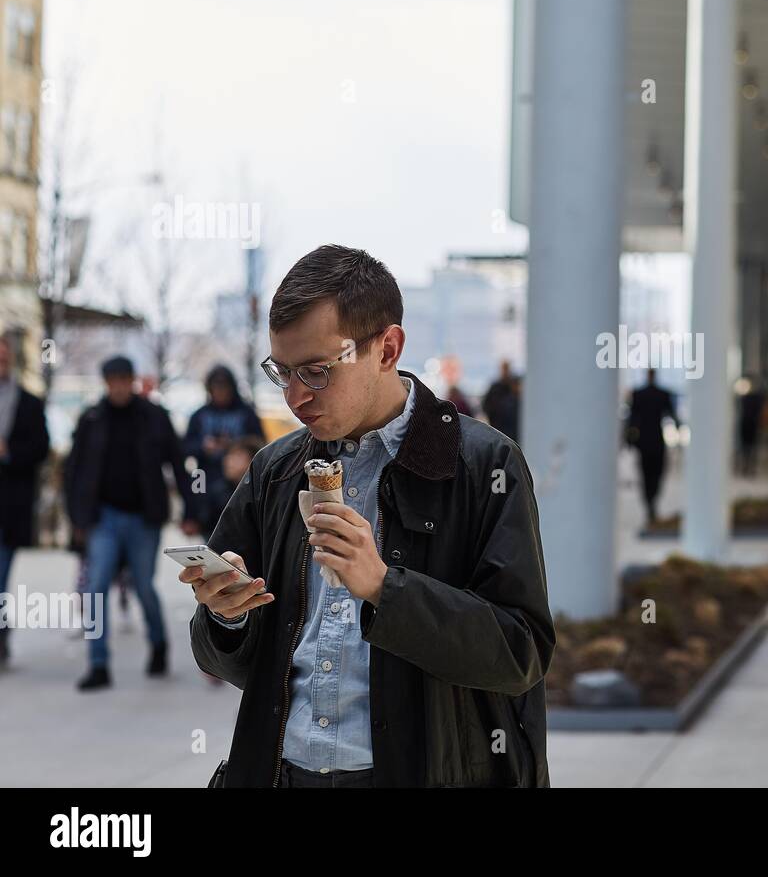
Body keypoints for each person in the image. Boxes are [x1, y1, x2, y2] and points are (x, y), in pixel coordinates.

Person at [183, 244, 554, 787]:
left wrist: (385, 587)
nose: (293, 397)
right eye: (280, 372)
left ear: (387, 348)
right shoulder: (277, 470)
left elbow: (520, 653)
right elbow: (232, 664)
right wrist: (226, 615)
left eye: (314, 371)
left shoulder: (482, 465)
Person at [64, 355, 199, 690]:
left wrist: (192, 511)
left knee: (143, 586)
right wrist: (77, 518)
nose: (120, 386)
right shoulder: (92, 419)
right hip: (103, 517)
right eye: (113, 380)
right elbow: (73, 471)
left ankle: (158, 644)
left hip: (144, 517)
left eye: (125, 379)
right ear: (106, 383)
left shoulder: (154, 417)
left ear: (133, 380)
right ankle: (98, 664)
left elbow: (179, 464)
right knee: (95, 587)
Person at [0, 335, 51, 666]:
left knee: (0, 575)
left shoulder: (30, 402)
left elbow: (41, 449)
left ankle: (0, 636)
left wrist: (9, 454)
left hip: (9, 507)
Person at [183, 364, 266, 540]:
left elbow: (261, 447)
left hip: (242, 485)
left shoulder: (246, 413)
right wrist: (204, 447)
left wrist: (237, 448)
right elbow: (185, 449)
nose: (220, 392)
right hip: (206, 480)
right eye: (216, 388)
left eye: (224, 388)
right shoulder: (199, 415)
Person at [624, 368, 678, 525]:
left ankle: (650, 502)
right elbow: (672, 416)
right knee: (654, 474)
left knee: (648, 475)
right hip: (655, 440)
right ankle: (651, 502)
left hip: (646, 441)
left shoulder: (640, 394)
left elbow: (632, 420)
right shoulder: (659, 394)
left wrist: (629, 440)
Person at [481, 360, 519, 441]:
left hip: (512, 430)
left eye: (507, 368)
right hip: (498, 427)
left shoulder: (514, 386)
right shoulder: (495, 387)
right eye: (504, 368)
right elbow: (485, 405)